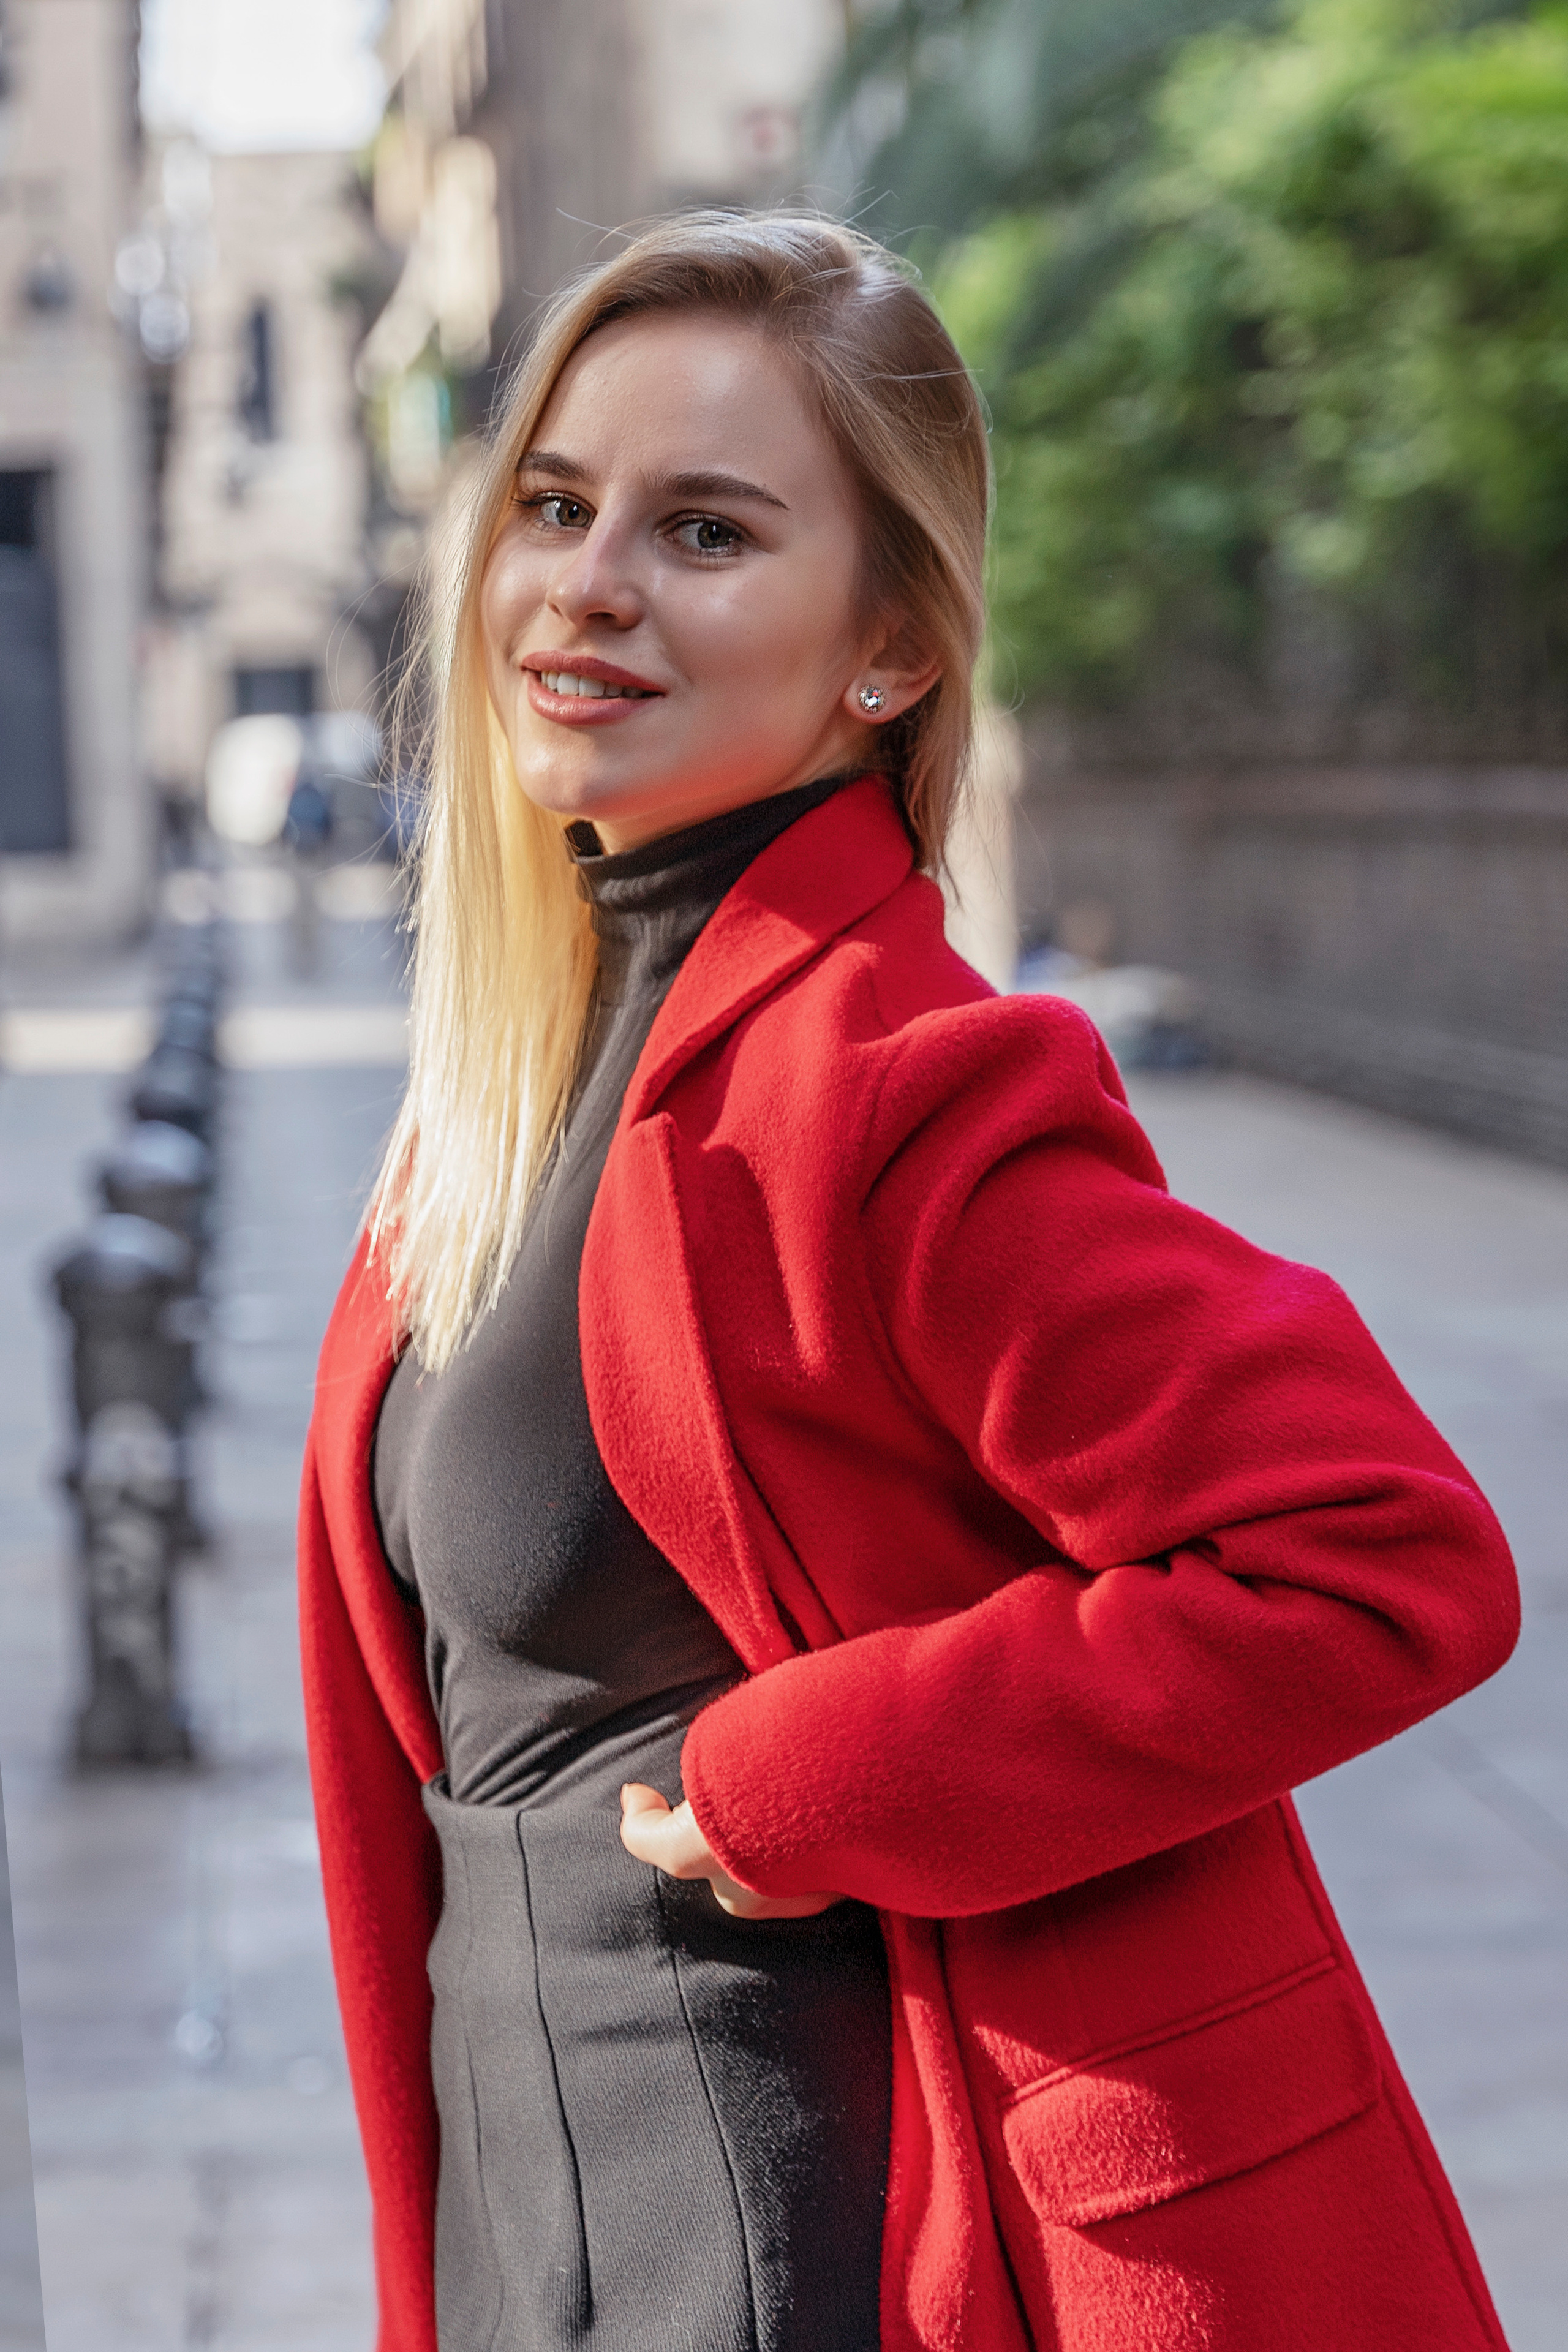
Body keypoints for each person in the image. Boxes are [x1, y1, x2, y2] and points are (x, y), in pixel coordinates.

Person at [298, 213, 1518, 2352]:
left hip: (794, 2209)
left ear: (888, 650)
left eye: (704, 529)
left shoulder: (898, 1082)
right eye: (559, 506)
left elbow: (1379, 1554)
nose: (589, 581)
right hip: (528, 2196)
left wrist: (827, 1771)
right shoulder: (517, 1070)